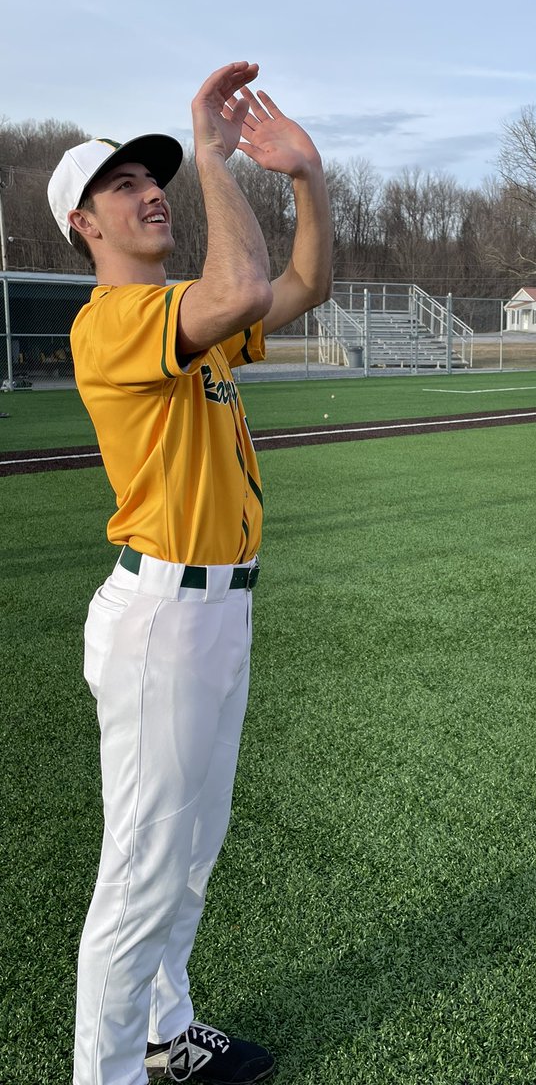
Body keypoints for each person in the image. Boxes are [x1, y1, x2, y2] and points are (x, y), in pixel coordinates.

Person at [47, 61, 332, 1085]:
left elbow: (298, 288)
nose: (149, 189)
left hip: (214, 612)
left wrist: (306, 179)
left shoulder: (182, 314)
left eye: (153, 174)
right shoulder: (115, 321)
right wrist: (214, 154)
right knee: (139, 875)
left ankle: (167, 1034)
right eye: (121, 185)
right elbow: (248, 286)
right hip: (163, 614)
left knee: (189, 856)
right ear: (84, 224)